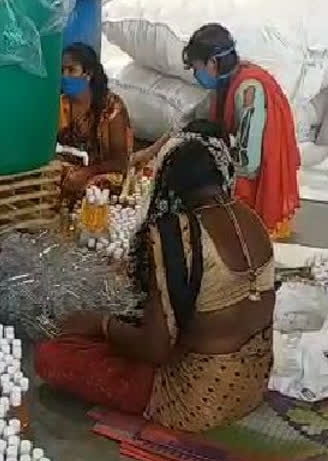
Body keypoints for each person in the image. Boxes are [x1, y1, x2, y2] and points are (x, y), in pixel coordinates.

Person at [35, 122, 275, 432]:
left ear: (169, 183)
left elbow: (154, 350)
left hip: (195, 400)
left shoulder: (178, 232)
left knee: (53, 355)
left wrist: (101, 324)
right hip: (252, 384)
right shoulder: (251, 219)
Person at [134, 24, 300, 240]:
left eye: (196, 68)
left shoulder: (249, 91)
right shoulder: (224, 84)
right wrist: (152, 151)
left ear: (212, 63)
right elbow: (189, 121)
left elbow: (249, 164)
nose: (196, 75)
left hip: (260, 190)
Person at [58, 43, 133, 199]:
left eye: (72, 70)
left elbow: (120, 162)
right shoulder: (61, 104)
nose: (65, 76)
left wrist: (87, 172)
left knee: (99, 189)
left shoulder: (112, 109)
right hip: (69, 172)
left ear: (88, 73)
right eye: (62, 71)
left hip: (99, 174)